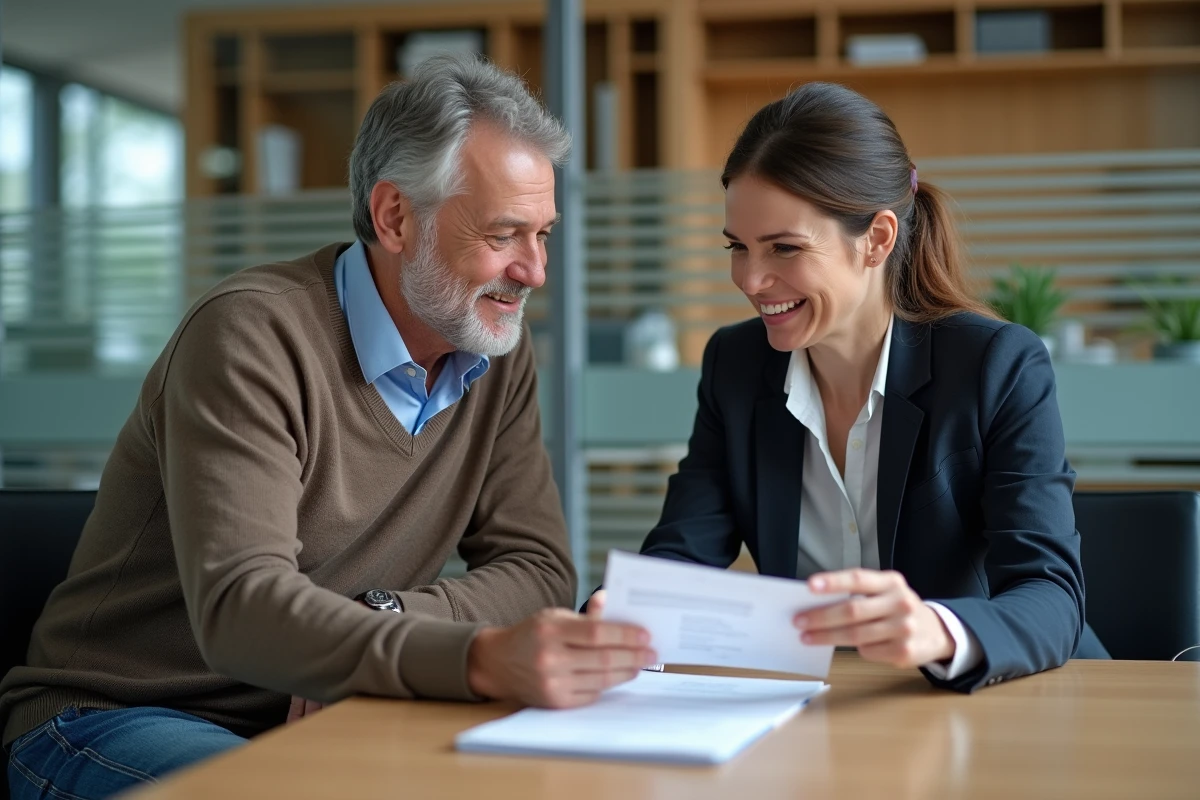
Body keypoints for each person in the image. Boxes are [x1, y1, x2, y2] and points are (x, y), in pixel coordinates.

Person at [2, 55, 654, 800]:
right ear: (396, 217)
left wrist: (384, 618)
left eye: (543, 234)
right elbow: (241, 610)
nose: (534, 271)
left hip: (334, 712)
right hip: (122, 714)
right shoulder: (253, 333)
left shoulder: (494, 345)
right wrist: (472, 656)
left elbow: (539, 571)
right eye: (505, 235)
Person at [622, 82, 1105, 691]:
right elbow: (682, 556)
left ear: (876, 239)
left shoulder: (996, 365)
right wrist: (617, 617)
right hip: (824, 703)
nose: (750, 277)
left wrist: (935, 629)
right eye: (737, 247)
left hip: (1000, 702)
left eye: (784, 248)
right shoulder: (734, 365)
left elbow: (1052, 596)